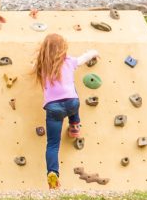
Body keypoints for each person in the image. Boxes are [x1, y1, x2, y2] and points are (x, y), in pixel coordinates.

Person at [34, 33, 99, 190]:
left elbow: (32, 66)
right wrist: (95, 52)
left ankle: (53, 173)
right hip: (71, 103)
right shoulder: (69, 61)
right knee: (72, 94)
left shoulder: (42, 66)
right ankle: (75, 124)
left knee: (53, 145)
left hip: (53, 108)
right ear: (63, 48)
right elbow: (85, 57)